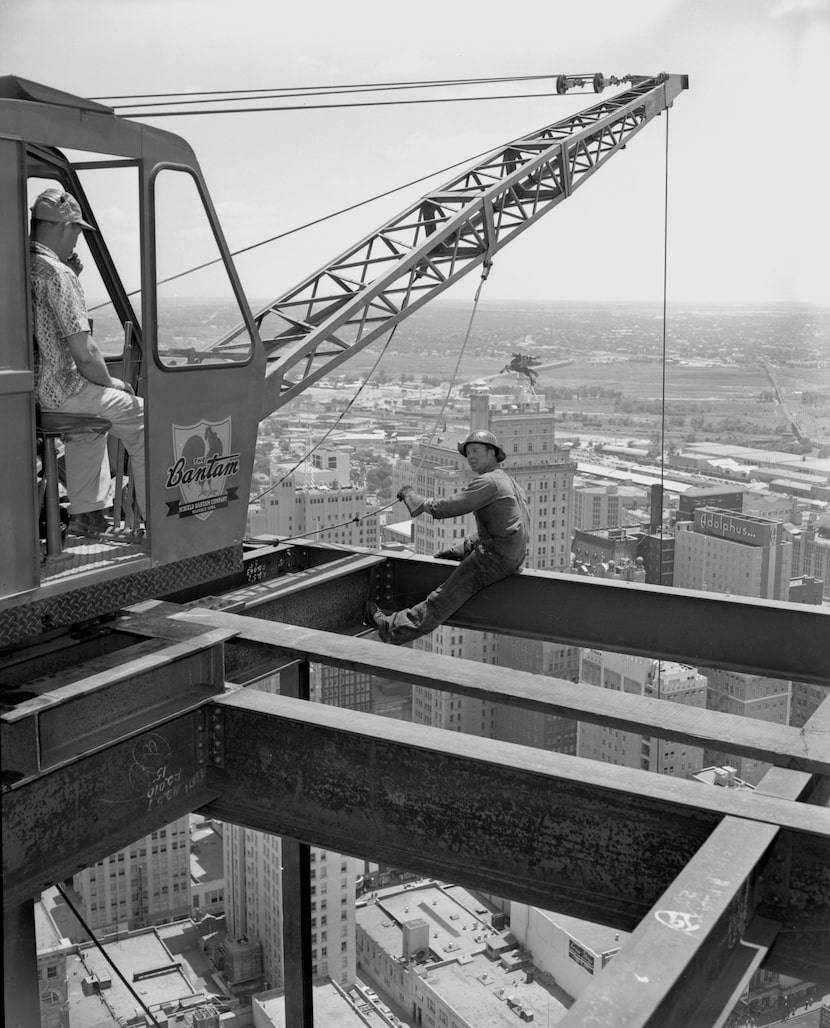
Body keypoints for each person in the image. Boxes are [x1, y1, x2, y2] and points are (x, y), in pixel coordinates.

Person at [30, 188, 146, 537]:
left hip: (26, 393)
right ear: (64, 227)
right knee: (144, 417)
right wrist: (114, 383)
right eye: (77, 231)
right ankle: (155, 514)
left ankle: (89, 515)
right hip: (59, 391)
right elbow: (85, 353)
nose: (78, 240)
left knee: (89, 426)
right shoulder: (57, 274)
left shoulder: (18, 264)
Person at [366, 430, 530, 645]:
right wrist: (464, 547)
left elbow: (448, 507)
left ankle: (392, 629)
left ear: (492, 453)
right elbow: (507, 527)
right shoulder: (508, 482)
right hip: (513, 556)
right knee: (448, 558)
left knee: (442, 598)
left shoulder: (489, 482)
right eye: (468, 452)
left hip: (494, 558)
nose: (470, 456)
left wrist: (417, 501)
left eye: (475, 451)